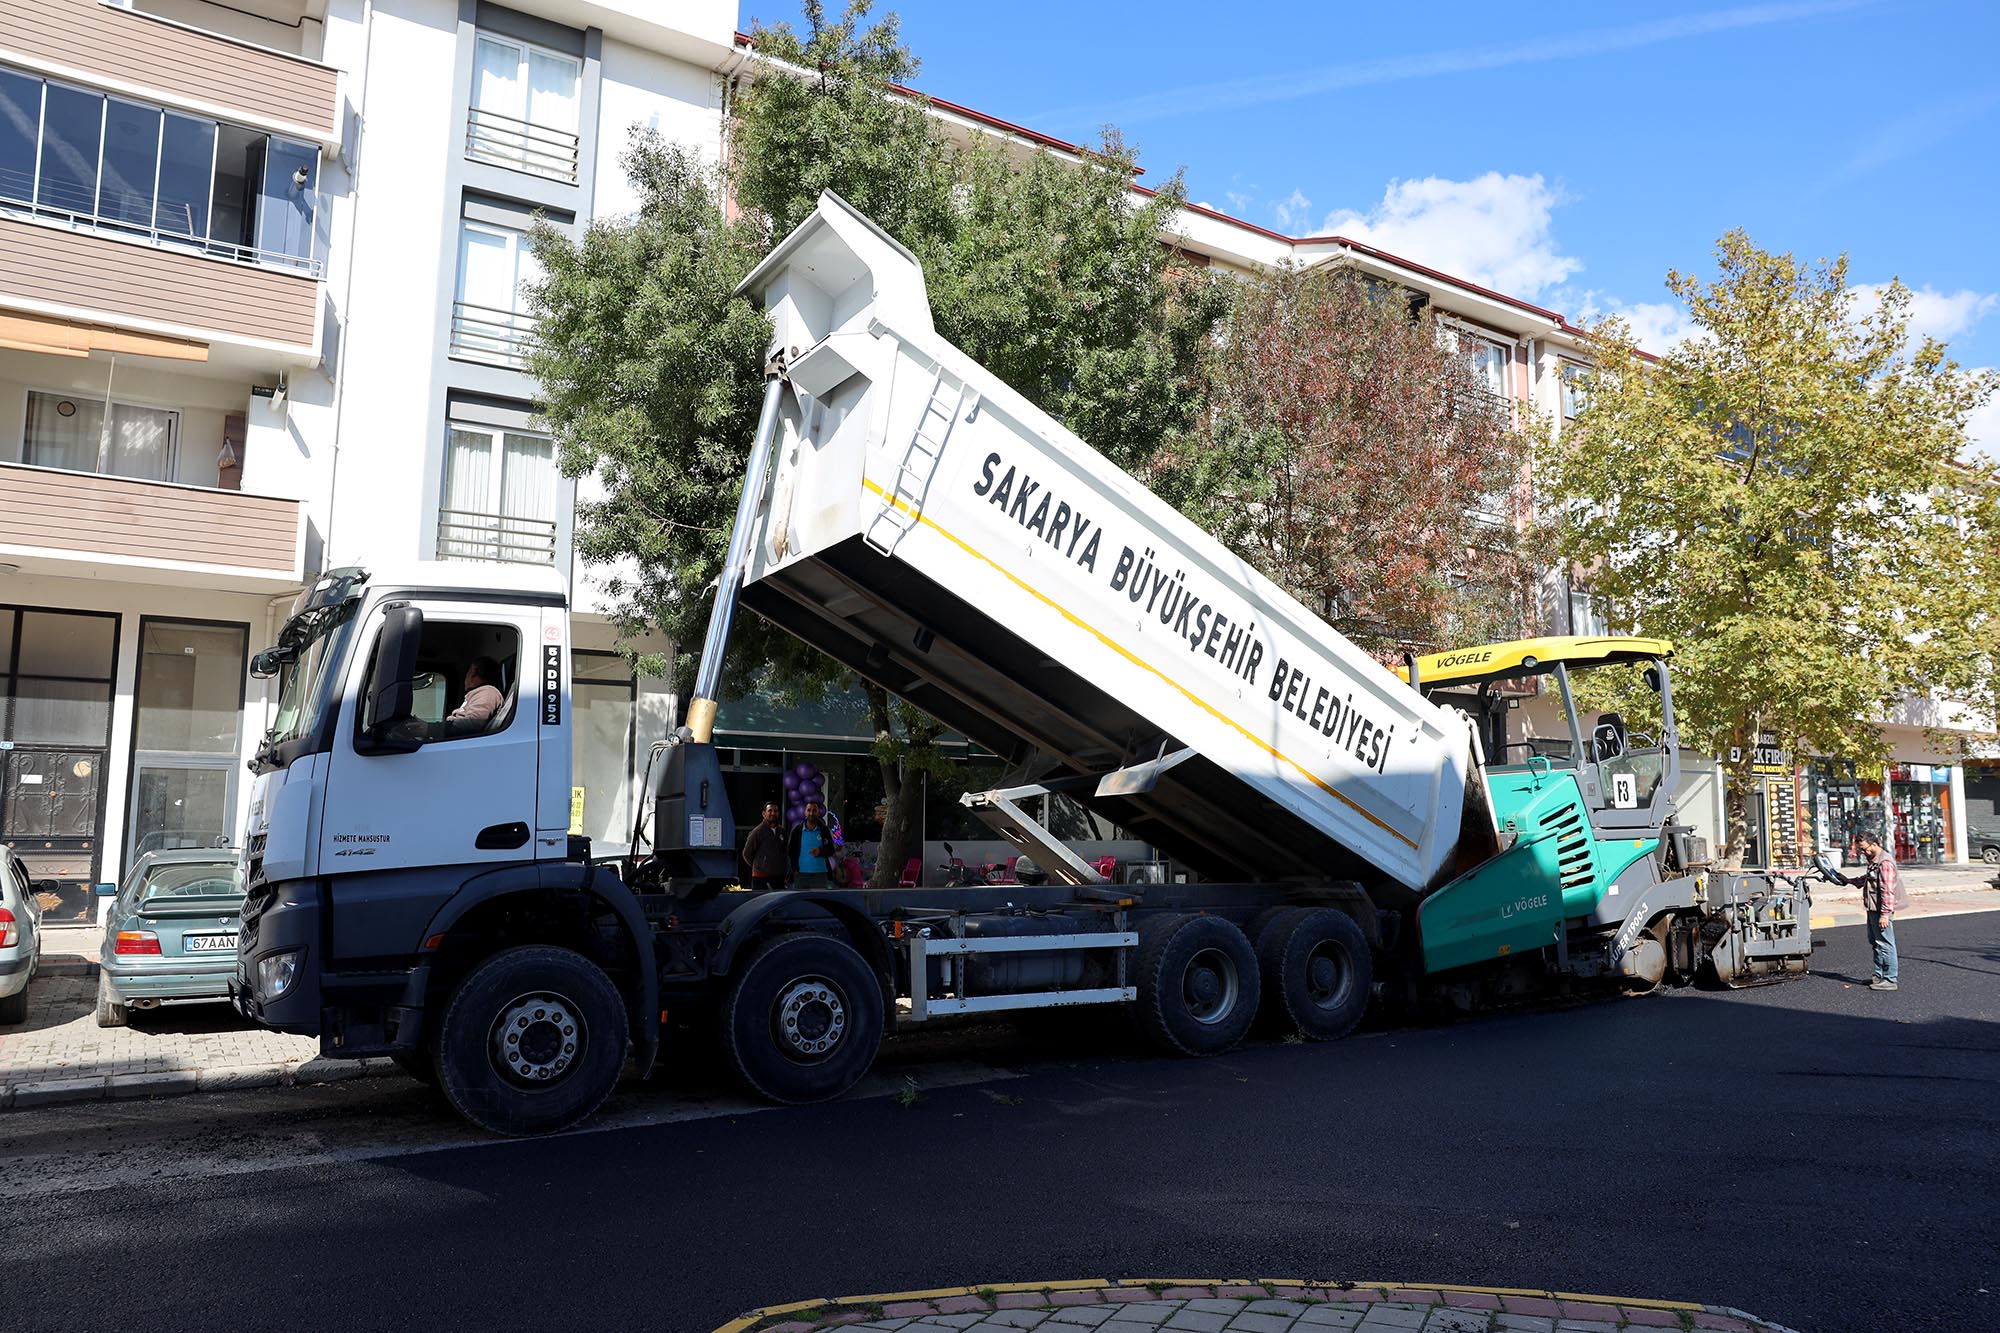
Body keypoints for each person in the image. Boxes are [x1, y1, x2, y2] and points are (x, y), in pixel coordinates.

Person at [1834, 830, 1901, 990]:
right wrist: (1849, 881)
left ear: (1874, 844)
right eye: (1861, 849)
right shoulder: (1874, 861)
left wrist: (1885, 915)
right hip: (1872, 908)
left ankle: (1890, 979)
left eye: (1864, 849)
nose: (1863, 852)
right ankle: (1879, 976)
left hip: (1881, 910)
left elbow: (1887, 891)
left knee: (1885, 944)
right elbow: (1868, 879)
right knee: (1876, 942)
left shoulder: (1885, 863)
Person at [786, 799, 837, 890]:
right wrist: (794, 869)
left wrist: (820, 851)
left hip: (820, 874)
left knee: (818, 902)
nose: (811, 813)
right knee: (801, 903)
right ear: (805, 812)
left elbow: (831, 850)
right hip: (801, 875)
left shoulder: (824, 829)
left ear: (818, 813)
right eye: (809, 810)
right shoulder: (797, 830)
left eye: (814, 810)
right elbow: (791, 852)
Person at [741, 801, 787, 891]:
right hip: (761, 878)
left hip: (778, 877)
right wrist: (759, 866)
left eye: (775, 811)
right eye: (770, 811)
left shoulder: (782, 831)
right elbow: (746, 854)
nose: (773, 813)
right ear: (764, 813)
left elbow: (784, 852)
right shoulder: (757, 832)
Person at [446, 656, 505, 725]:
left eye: (467, 672)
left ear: (473, 673)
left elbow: (471, 725)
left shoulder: (487, 693)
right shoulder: (481, 693)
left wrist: (444, 727)